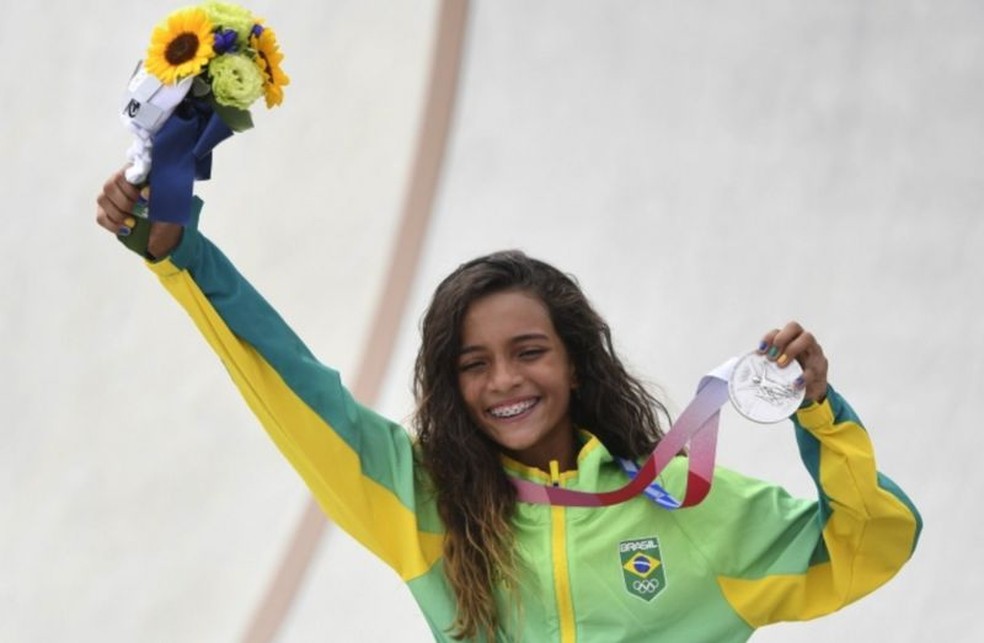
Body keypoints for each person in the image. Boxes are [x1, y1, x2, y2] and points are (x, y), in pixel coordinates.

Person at [96, 169, 921, 642]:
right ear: (451, 386)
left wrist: (819, 414)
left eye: (528, 352)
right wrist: (181, 255)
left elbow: (871, 543)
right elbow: (293, 384)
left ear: (573, 361)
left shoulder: (696, 513)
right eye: (473, 363)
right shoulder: (424, 507)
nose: (504, 381)